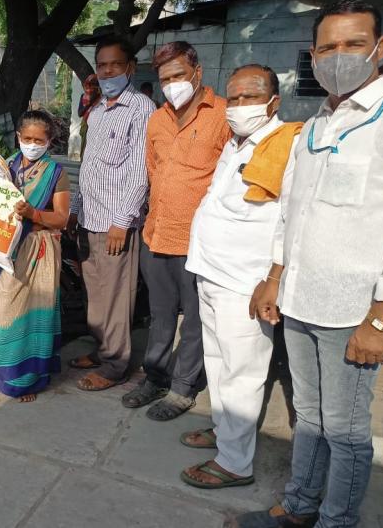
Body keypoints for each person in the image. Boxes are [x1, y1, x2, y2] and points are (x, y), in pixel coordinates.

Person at [236, 0, 383, 528]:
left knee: (346, 431)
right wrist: (274, 278)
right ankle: (300, 508)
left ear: (380, 48)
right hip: (300, 299)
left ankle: (335, 521)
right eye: (328, 47)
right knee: (308, 417)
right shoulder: (318, 124)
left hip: (353, 309)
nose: (339, 56)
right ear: (313, 55)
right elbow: (291, 213)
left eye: (353, 44)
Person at [179, 64, 302, 489]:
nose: (239, 106)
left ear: (273, 101)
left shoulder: (287, 144)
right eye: (233, 98)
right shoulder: (236, 142)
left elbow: (291, 218)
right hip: (210, 270)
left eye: (250, 97)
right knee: (218, 364)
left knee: (243, 371)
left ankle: (235, 463)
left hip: (245, 281)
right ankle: (223, 430)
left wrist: (272, 278)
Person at [122, 41, 232, 421]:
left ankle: (183, 388)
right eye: (165, 78)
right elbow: (153, 171)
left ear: (197, 73)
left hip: (199, 241)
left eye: (178, 76)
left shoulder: (223, 116)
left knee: (197, 320)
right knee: (160, 313)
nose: (171, 85)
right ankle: (154, 376)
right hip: (157, 234)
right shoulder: (157, 119)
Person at [68, 35, 155, 392]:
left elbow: (139, 171)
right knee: (96, 294)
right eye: (101, 65)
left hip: (115, 223)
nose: (107, 71)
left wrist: (123, 221)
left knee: (116, 296)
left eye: (115, 64)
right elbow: (88, 167)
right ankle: (103, 350)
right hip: (90, 218)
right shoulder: (99, 110)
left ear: (130, 68)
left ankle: (116, 365)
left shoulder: (141, 109)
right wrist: (75, 210)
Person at [0, 110, 71, 403]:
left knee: (33, 317)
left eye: (39, 139)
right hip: (5, 249)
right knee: (1, 312)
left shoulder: (56, 173)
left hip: (38, 251)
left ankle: (28, 379)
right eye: (27, 138)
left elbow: (61, 219)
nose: (32, 144)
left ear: (49, 141)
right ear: (18, 137)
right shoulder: (4, 166)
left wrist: (33, 214)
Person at [78, 73, 101, 159]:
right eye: (89, 84)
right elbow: (80, 113)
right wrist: (90, 102)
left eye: (94, 84)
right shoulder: (83, 96)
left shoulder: (103, 97)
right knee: (84, 149)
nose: (91, 87)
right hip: (85, 124)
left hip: (98, 125)